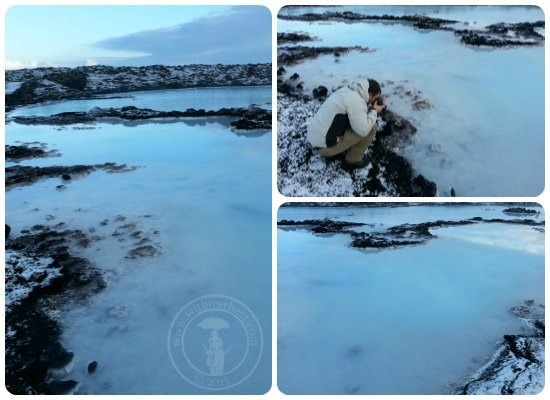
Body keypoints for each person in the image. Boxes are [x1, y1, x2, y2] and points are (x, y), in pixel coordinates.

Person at [307, 79, 386, 169]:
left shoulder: (347, 90)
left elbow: (355, 112)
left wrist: (371, 108)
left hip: (316, 139)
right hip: (325, 147)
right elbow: (364, 130)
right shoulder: (356, 101)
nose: (375, 101)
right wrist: (374, 111)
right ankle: (353, 160)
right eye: (375, 98)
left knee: (356, 122)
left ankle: (338, 149)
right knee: (372, 127)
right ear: (370, 94)